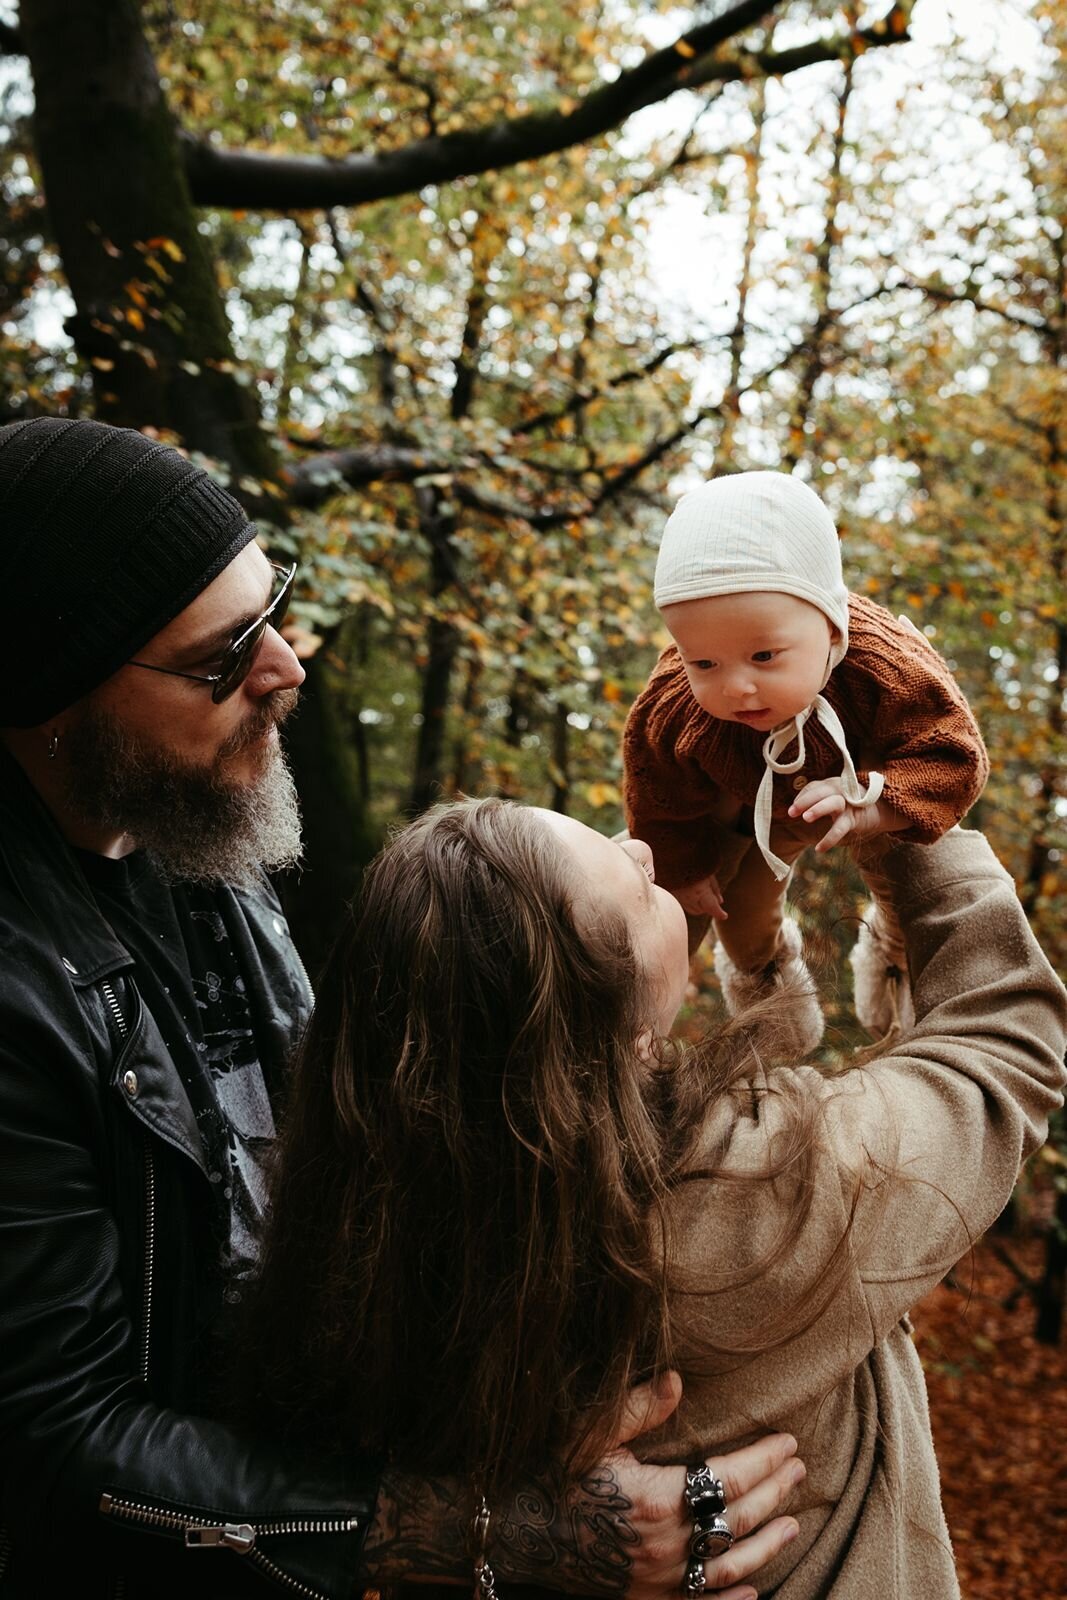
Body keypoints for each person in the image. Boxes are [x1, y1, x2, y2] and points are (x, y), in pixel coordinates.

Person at [0, 417, 804, 1600]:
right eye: (223, 659)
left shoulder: (202, 853)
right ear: (49, 698)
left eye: (278, 604)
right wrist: (492, 1528)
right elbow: (52, 1445)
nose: (287, 666)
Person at [243, 794, 1066, 1600]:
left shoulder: (360, 1234)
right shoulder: (760, 1189)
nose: (638, 850)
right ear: (627, 1037)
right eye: (635, 885)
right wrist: (909, 819)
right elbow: (1001, 1042)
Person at [623, 471, 989, 1050]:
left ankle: (892, 955)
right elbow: (656, 788)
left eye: (764, 655)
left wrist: (874, 804)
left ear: (831, 625)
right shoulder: (674, 706)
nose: (737, 686)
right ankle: (774, 996)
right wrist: (684, 867)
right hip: (753, 799)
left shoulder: (885, 668)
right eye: (704, 663)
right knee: (737, 912)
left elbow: (956, 757)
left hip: (870, 773)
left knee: (908, 877)